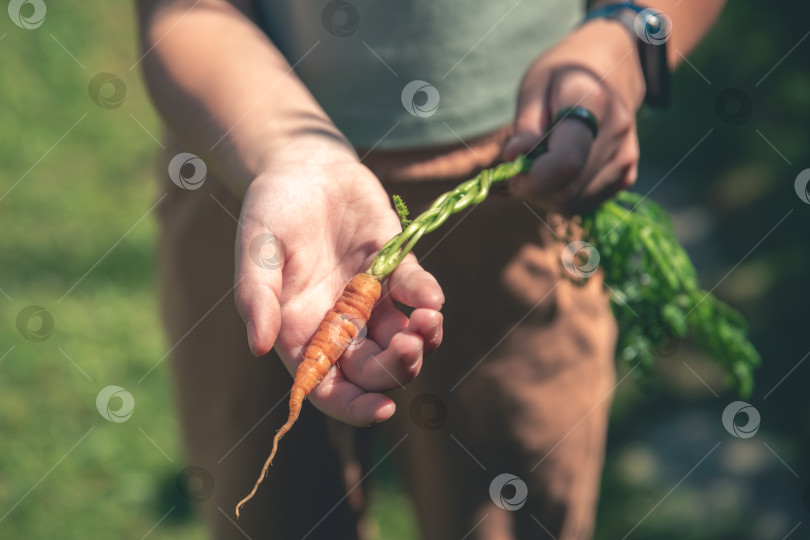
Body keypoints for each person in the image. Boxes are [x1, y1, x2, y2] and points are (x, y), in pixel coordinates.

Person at [135, 1, 724, 538]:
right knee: (269, 517)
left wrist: (623, 38)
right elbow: (185, 11)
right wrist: (291, 151)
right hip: (248, 154)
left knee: (505, 512)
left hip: (518, 176)